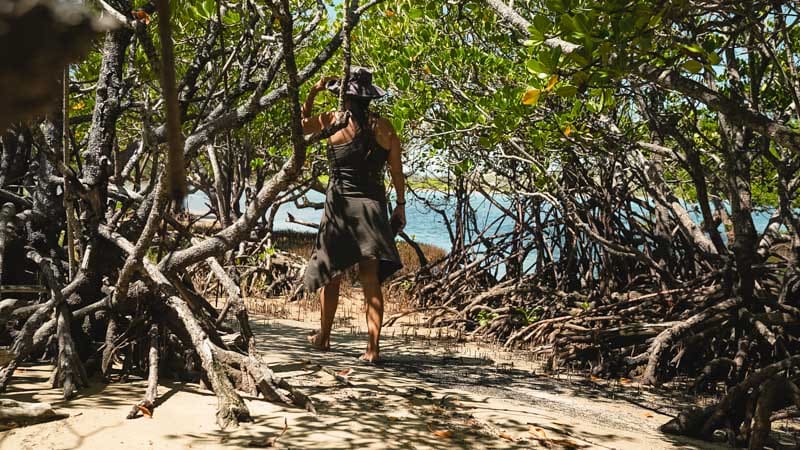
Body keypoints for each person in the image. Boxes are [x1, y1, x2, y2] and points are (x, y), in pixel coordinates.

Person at [301, 67, 406, 363]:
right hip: (373, 207)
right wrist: (400, 204)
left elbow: (299, 125)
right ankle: (373, 349)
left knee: (331, 275)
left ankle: (323, 337)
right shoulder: (384, 128)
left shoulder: (333, 121)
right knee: (371, 279)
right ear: (369, 98)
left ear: (343, 96)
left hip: (339, 207)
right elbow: (396, 172)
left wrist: (314, 91)